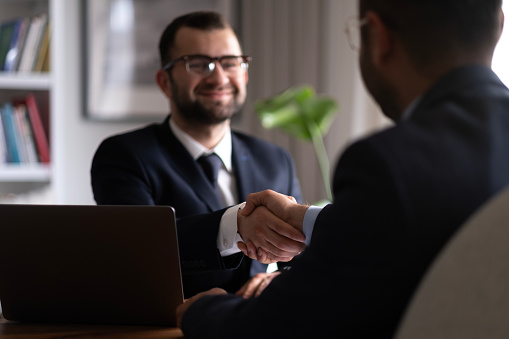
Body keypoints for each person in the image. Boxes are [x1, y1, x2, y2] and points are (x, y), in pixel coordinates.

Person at [176, 0, 509, 338]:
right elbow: (417, 226)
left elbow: (283, 326)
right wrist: (306, 220)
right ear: (499, 24)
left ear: (378, 37)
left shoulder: (389, 162)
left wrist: (203, 310)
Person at [90, 11, 306, 299]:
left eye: (230, 63)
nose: (218, 76)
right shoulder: (124, 156)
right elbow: (136, 250)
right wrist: (237, 225)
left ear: (244, 72)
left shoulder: (275, 158)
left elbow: (302, 256)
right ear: (164, 82)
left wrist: (277, 281)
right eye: (199, 64)